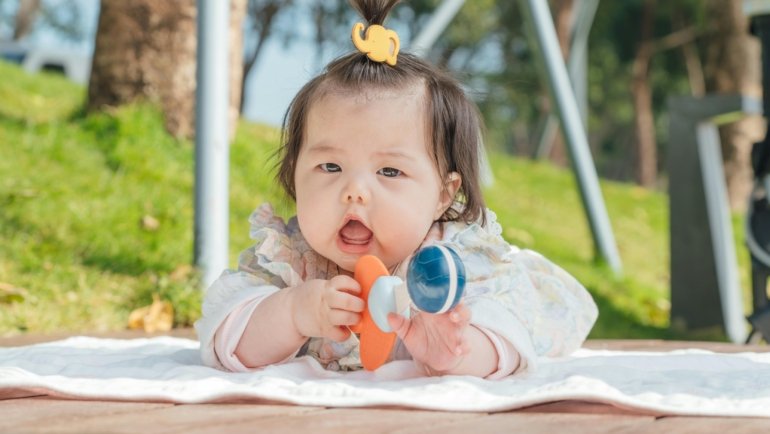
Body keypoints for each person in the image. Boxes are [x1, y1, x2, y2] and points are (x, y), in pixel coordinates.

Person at [195, 0, 598, 378]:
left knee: (516, 311)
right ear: (294, 176)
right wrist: (292, 313)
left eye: (389, 171)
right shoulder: (290, 261)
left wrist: (456, 351)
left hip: (532, 295)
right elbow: (221, 337)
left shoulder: (449, 266)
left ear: (444, 193)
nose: (354, 191)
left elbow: (510, 337)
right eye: (330, 166)